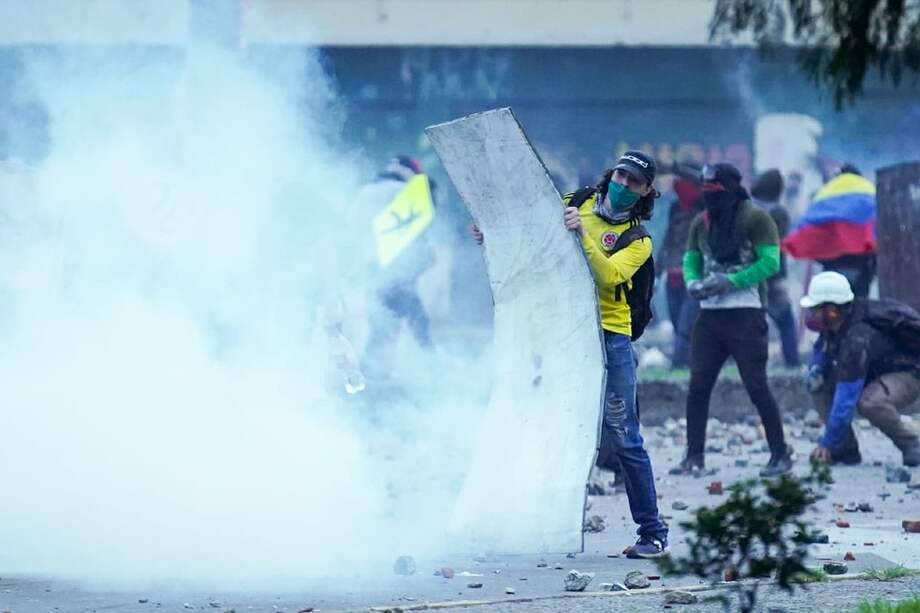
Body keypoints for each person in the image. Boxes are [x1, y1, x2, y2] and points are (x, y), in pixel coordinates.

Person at [471, 150, 669, 559]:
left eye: (634, 182)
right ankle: (531, 524)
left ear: (647, 191)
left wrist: (581, 236)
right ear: (609, 173)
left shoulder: (639, 239)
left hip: (610, 339)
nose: (623, 185)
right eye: (621, 175)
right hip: (563, 332)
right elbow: (533, 238)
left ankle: (652, 532)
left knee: (624, 436)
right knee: (548, 424)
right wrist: (491, 235)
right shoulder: (575, 203)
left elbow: (609, 275)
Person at [672, 162, 794, 478]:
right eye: (706, 190)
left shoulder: (756, 218)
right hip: (710, 316)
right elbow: (691, 260)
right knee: (698, 386)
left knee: (756, 385)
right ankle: (694, 456)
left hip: (746, 313)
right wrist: (692, 283)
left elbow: (770, 262)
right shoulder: (701, 222)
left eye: (715, 190)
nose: (710, 196)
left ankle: (779, 453)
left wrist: (733, 281)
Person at [802, 272, 920, 467]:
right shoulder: (837, 322)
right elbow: (821, 349)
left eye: (815, 309)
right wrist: (816, 369)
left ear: (831, 310)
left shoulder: (857, 337)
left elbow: (846, 396)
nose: (811, 315)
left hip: (909, 372)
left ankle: (910, 443)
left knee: (870, 402)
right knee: (818, 384)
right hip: (875, 370)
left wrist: (827, 443)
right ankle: (845, 448)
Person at [354, 156, 436, 378]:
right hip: (397, 270)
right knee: (412, 322)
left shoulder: (364, 192)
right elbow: (415, 235)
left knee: (383, 320)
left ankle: (368, 372)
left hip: (370, 268)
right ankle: (435, 370)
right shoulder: (402, 191)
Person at [783, 164, 876, 298]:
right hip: (861, 264)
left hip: (832, 265)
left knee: (834, 304)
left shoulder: (826, 192)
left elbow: (810, 224)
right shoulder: (868, 190)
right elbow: (876, 228)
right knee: (859, 304)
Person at [751, 169, 800, 368]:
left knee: (752, 323)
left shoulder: (748, 208)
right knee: (786, 322)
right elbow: (779, 244)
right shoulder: (778, 213)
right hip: (772, 275)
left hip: (750, 274)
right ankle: (792, 363)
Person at [658, 161, 703, 368]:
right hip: (673, 276)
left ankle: (678, 367)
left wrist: (674, 167)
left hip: (695, 275)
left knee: (687, 327)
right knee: (678, 325)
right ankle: (689, 365)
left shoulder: (704, 206)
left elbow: (701, 179)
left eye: (683, 181)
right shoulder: (676, 207)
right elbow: (668, 240)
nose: (678, 184)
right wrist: (657, 272)